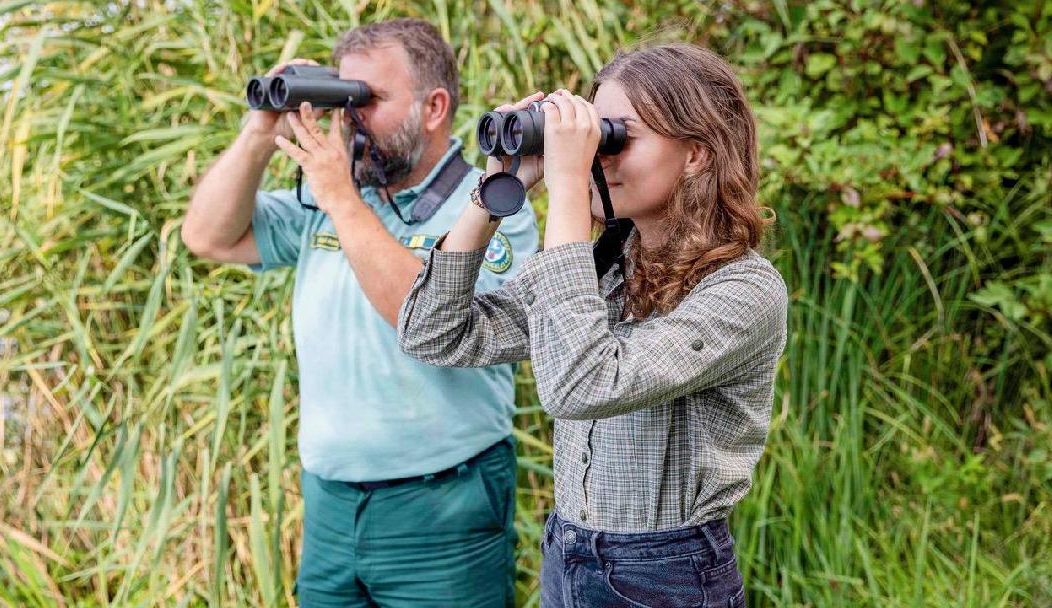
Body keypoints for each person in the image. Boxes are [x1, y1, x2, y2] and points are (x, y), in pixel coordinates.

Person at [398, 43, 786, 608]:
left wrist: (566, 189)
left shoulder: (743, 291)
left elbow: (581, 385)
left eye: (617, 137)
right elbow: (433, 333)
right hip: (567, 552)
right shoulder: (604, 266)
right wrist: (493, 193)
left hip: (667, 572)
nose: (598, 158)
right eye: (596, 137)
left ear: (698, 155)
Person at [180, 18, 538, 608]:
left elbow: (421, 317)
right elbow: (208, 236)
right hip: (331, 504)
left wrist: (340, 198)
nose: (350, 118)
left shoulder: (491, 203)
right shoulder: (334, 198)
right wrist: (259, 132)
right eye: (343, 98)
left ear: (434, 107)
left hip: (443, 508)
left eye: (367, 100)